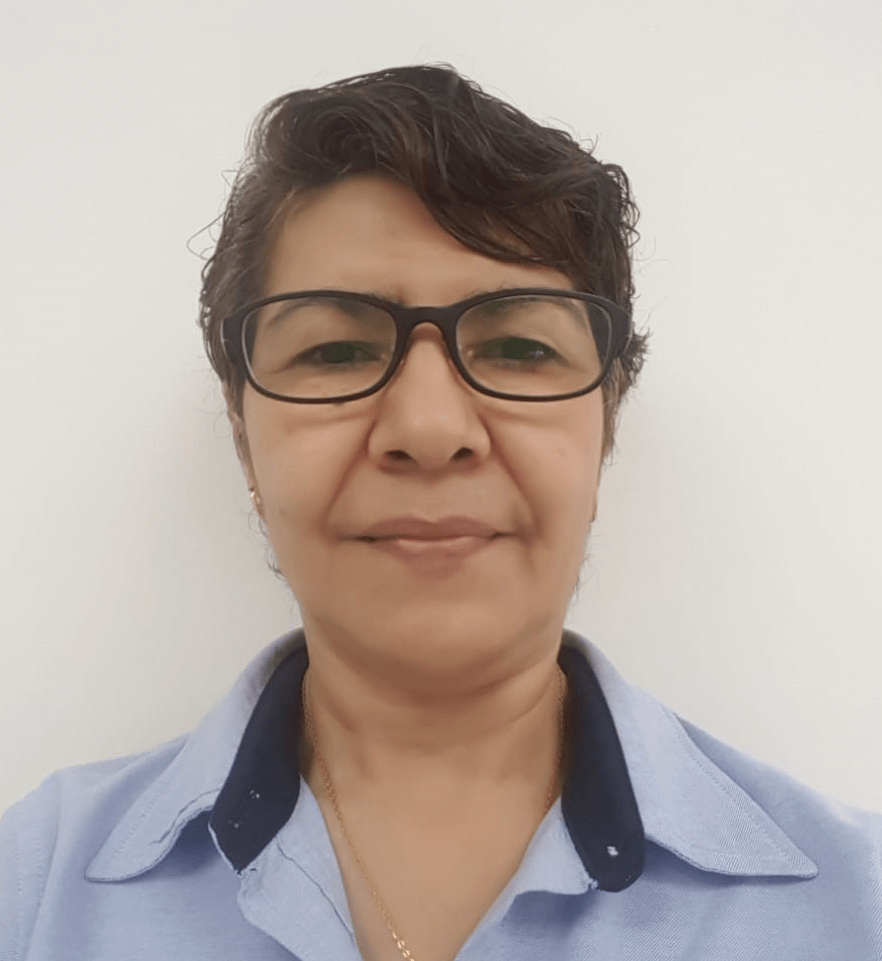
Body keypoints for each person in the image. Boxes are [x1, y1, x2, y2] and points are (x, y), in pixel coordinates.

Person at [1, 64, 880, 961]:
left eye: (520, 347)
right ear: (242, 432)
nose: (429, 428)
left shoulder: (860, 903)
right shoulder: (32, 888)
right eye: (336, 351)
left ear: (606, 421)